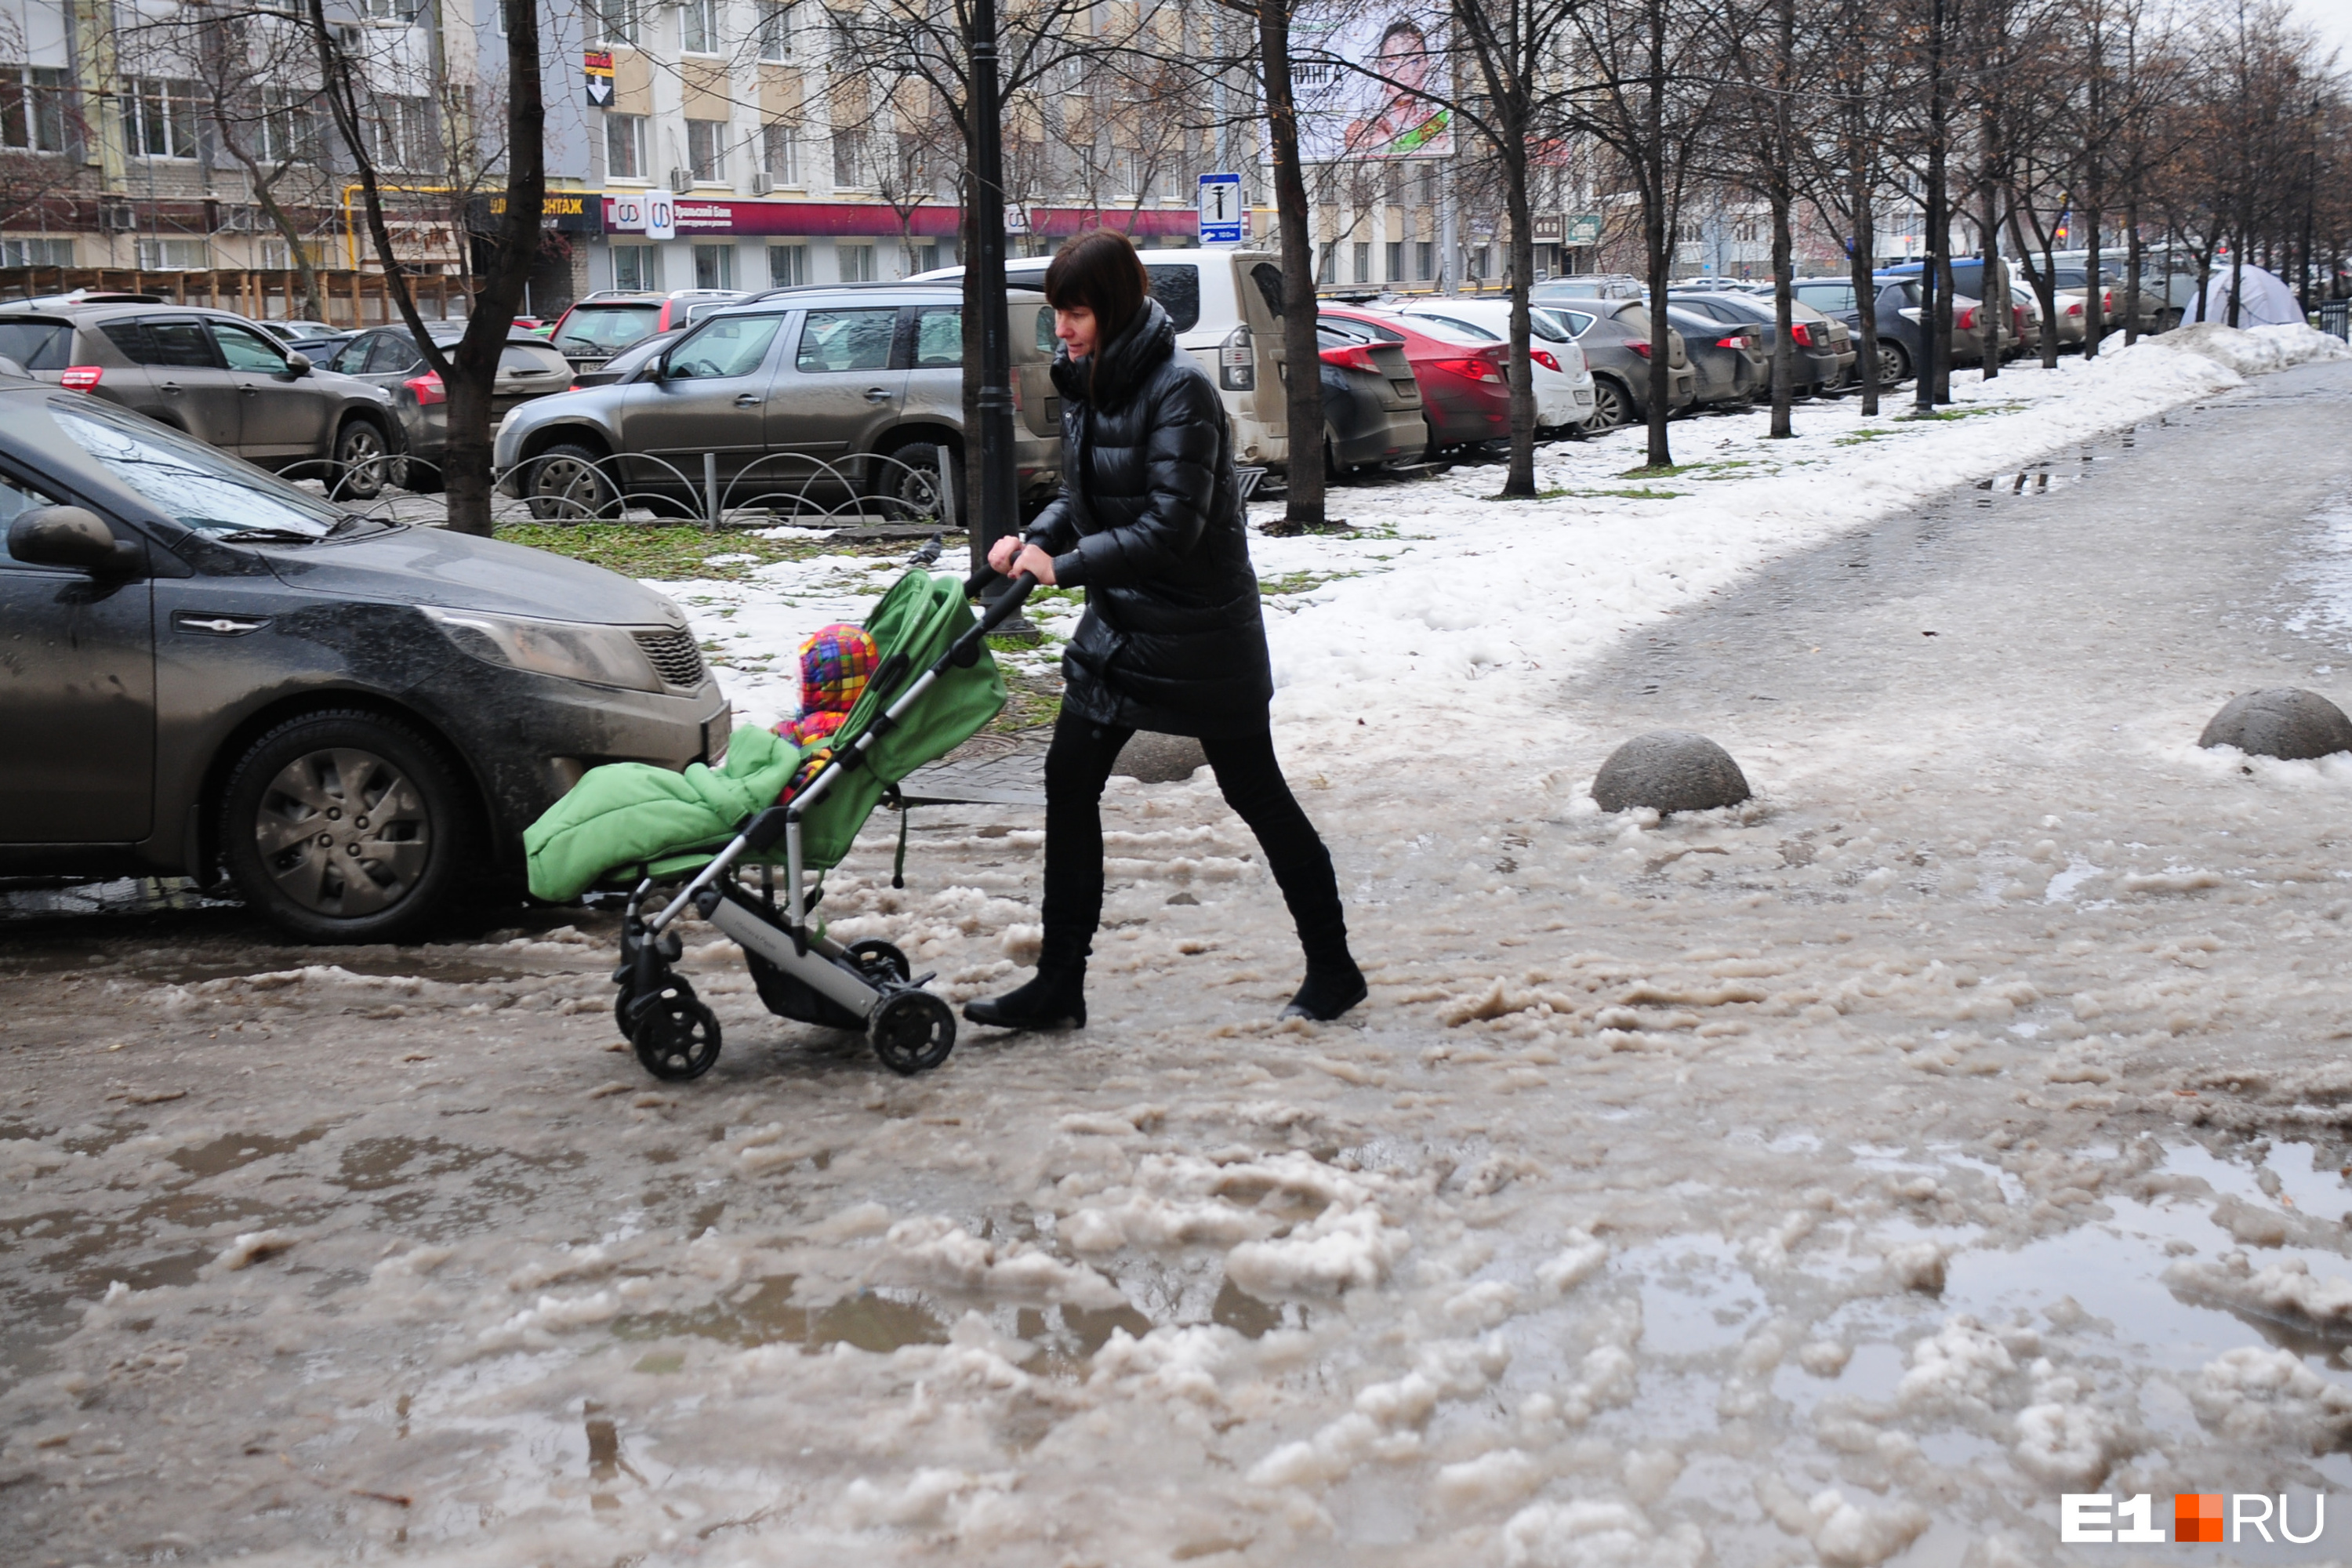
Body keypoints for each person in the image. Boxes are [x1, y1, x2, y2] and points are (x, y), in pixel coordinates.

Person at [965, 228, 1367, 1032]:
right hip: (1117, 632)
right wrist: (1038, 538)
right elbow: (1084, 495)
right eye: (1057, 315)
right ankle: (1058, 983)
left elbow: (1169, 528)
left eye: (1075, 313)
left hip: (1198, 638)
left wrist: (1065, 568)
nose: (1063, 331)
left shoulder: (1181, 393)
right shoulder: (1089, 381)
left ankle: (1334, 967)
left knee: (1257, 794)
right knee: (1068, 782)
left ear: (1110, 307)